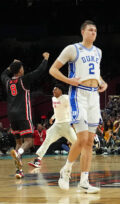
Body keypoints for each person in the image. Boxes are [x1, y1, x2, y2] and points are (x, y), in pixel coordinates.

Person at [49, 20, 107, 193]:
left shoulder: (98, 51)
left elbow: (95, 72)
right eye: (90, 30)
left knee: (89, 142)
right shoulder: (72, 49)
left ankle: (84, 181)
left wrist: (102, 82)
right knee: (81, 139)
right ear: (82, 32)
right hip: (78, 94)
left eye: (95, 31)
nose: (93, 33)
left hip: (93, 96)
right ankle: (65, 171)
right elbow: (53, 69)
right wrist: (68, 80)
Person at [1, 52, 49, 179]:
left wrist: (10, 67)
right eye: (21, 67)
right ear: (20, 70)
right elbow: (40, 71)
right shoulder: (24, 80)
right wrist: (45, 59)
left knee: (18, 142)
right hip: (23, 114)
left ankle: (19, 171)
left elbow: (3, 74)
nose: (23, 69)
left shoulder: (7, 82)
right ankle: (19, 153)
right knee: (29, 141)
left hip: (11, 115)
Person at [28, 84, 77, 168]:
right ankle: (38, 160)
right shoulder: (53, 99)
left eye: (55, 89)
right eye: (53, 90)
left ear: (61, 91)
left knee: (77, 143)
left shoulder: (66, 98)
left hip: (66, 125)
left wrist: (73, 122)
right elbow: (57, 110)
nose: (53, 91)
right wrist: (52, 118)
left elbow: (72, 108)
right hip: (57, 125)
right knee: (47, 140)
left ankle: (88, 153)